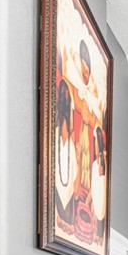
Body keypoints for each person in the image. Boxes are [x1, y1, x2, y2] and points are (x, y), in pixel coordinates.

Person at [53, 79, 77, 229]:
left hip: (67, 190)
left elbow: (74, 170)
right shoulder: (55, 139)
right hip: (59, 188)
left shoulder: (72, 147)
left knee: (68, 220)